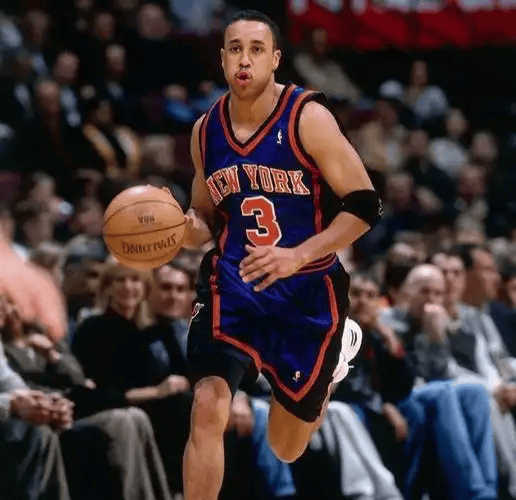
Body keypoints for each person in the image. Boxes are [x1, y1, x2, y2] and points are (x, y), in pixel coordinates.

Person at [179, 10, 382, 500]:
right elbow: (205, 218)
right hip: (234, 285)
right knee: (207, 404)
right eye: (234, 49)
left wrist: (297, 256)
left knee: (285, 447)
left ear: (275, 59)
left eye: (256, 49)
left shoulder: (307, 117)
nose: (244, 59)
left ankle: (333, 361)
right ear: (222, 58)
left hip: (306, 291)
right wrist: (179, 230)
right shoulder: (205, 131)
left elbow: (364, 205)